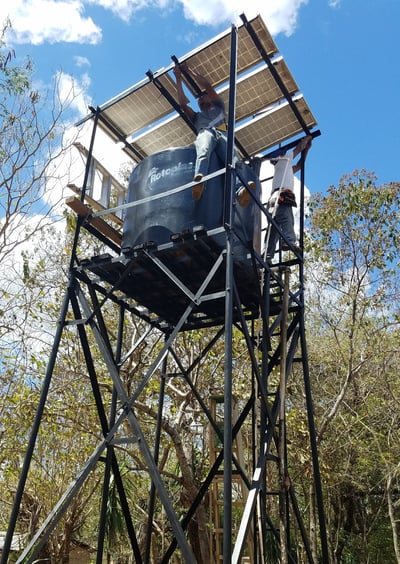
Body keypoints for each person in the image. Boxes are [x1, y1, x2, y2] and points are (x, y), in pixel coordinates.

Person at [173, 62, 255, 206]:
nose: (200, 100)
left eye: (203, 97)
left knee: (234, 160)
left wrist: (189, 71)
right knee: (204, 148)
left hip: (222, 135)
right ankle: (199, 181)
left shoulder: (219, 107)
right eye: (198, 99)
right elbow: (183, 104)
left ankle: (241, 191)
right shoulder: (197, 117)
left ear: (210, 98)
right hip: (206, 132)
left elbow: (208, 87)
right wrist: (178, 78)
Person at [265, 135, 312, 261]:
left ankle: (267, 254)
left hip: (274, 200)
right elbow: (297, 149)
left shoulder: (285, 167)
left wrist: (306, 150)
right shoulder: (283, 160)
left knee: (274, 229)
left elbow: (299, 166)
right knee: (287, 219)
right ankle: (289, 242)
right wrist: (306, 140)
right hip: (281, 196)